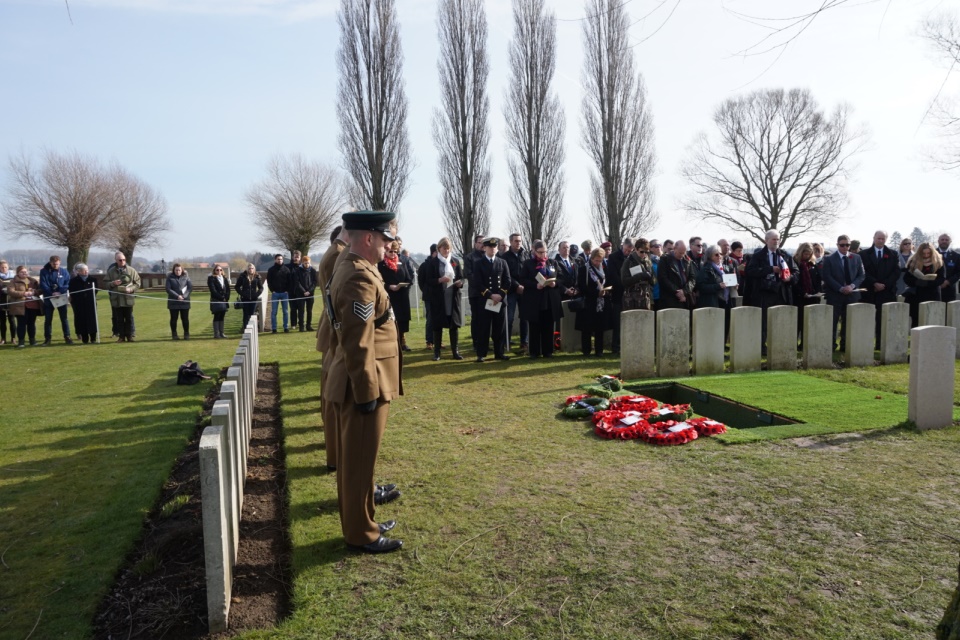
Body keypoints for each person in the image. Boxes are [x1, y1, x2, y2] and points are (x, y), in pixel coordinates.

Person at [322, 210, 403, 554]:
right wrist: (368, 390)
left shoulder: (357, 267)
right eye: (384, 240)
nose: (388, 247)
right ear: (368, 238)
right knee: (356, 466)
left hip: (362, 379)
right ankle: (361, 534)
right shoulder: (358, 275)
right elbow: (358, 341)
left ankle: (366, 519)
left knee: (362, 461)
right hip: (362, 383)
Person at [316, 225, 348, 472]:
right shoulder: (338, 254)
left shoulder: (335, 250)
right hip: (336, 327)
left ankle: (335, 454)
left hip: (331, 323)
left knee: (330, 392)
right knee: (334, 397)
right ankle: (336, 456)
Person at [745, 230, 797, 352]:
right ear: (766, 240)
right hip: (765, 293)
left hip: (781, 293)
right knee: (763, 322)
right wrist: (770, 269)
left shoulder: (784, 255)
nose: (776, 241)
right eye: (774, 239)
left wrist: (790, 278)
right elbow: (750, 271)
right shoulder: (758, 256)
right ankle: (762, 347)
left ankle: (779, 346)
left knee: (780, 321)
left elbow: (796, 271)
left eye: (778, 239)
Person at [470, 237, 513, 362]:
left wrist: (500, 294)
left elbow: (507, 280)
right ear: (484, 248)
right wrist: (490, 295)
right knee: (484, 327)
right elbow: (477, 283)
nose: (493, 249)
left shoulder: (502, 262)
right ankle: (481, 353)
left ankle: (499, 353)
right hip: (485, 300)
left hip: (499, 300)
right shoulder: (478, 263)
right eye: (490, 247)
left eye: (495, 247)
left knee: (499, 328)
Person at [422, 237, 465, 361]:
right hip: (438, 299)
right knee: (437, 325)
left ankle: (455, 351)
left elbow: (462, 278)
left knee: (454, 325)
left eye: (448, 248)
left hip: (453, 297)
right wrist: (439, 280)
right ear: (439, 248)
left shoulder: (455, 261)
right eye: (444, 248)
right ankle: (437, 352)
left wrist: (459, 283)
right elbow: (427, 280)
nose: (446, 250)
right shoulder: (433, 263)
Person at [519, 239, 563, 358]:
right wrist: (535, 285)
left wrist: (555, 283)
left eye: (545, 252)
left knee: (548, 326)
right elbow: (522, 279)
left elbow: (561, 278)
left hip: (549, 299)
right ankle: (534, 351)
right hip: (534, 299)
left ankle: (548, 351)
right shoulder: (528, 264)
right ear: (534, 251)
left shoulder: (552, 263)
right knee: (535, 326)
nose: (543, 255)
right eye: (540, 252)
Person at [820, 235, 865, 351]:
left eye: (847, 245)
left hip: (852, 294)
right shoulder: (829, 259)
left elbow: (861, 275)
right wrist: (840, 288)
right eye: (842, 245)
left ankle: (845, 345)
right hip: (835, 295)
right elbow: (827, 276)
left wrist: (852, 286)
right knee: (833, 321)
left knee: (849, 321)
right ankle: (831, 345)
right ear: (837, 245)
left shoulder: (856, 258)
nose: (845, 247)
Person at [860, 230, 899, 349]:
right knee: (867, 320)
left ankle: (880, 345)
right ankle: (865, 344)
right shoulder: (864, 254)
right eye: (879, 238)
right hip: (869, 292)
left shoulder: (893, 254)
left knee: (883, 321)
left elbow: (895, 273)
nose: (881, 241)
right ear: (874, 238)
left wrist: (883, 285)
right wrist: (874, 283)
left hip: (886, 293)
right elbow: (862, 272)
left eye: (883, 239)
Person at [576, 248, 613, 356]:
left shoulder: (604, 269)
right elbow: (582, 286)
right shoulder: (584, 269)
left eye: (599, 260)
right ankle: (586, 350)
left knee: (600, 327)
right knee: (586, 328)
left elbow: (608, 282)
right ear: (591, 258)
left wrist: (606, 290)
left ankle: (599, 350)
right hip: (589, 302)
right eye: (595, 260)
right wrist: (596, 293)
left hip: (601, 302)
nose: (597, 263)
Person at [378, 240, 413, 351]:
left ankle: (402, 341)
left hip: (402, 295)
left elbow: (408, 277)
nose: (393, 254)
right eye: (390, 252)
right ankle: (393, 342)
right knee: (392, 320)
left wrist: (405, 284)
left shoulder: (401, 261)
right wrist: (389, 286)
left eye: (395, 251)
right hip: (390, 296)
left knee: (402, 321)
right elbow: (379, 281)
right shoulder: (381, 264)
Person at [903, 242, 945, 327]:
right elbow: (906, 278)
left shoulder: (938, 261)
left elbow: (941, 278)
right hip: (917, 294)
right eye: (924, 253)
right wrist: (917, 282)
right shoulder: (913, 261)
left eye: (928, 253)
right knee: (916, 320)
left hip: (932, 293)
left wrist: (929, 283)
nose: (926, 255)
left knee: (932, 319)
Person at [792, 243, 822, 349]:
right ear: (801, 252)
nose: (807, 256)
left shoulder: (812, 264)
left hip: (812, 297)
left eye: (809, 254)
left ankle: (805, 344)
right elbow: (794, 281)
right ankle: (794, 343)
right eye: (805, 253)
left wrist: (817, 291)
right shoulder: (795, 263)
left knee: (808, 322)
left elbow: (817, 280)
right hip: (799, 297)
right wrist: (802, 292)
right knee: (798, 322)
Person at [106, 252, 141, 342]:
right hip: (117, 299)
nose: (122, 261)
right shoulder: (111, 271)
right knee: (119, 319)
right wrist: (113, 283)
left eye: (124, 260)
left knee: (129, 318)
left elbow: (137, 283)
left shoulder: (131, 270)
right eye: (120, 260)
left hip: (128, 299)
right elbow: (105, 283)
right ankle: (121, 337)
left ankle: (129, 336)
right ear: (116, 261)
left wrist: (131, 289)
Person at [39, 255, 73, 346]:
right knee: (48, 319)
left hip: (61, 297)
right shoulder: (43, 271)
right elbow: (43, 284)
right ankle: (47, 338)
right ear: (50, 263)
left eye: (57, 264)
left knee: (64, 318)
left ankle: (67, 336)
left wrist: (60, 292)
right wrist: (51, 293)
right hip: (49, 298)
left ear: (60, 262)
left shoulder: (64, 271)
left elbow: (67, 283)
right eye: (53, 264)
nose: (55, 265)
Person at [503, 233, 528, 354]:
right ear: (511, 242)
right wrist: (517, 285)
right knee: (509, 317)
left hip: (524, 290)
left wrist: (523, 285)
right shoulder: (505, 257)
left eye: (520, 241)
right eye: (516, 241)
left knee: (525, 317)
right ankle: (506, 342)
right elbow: (506, 275)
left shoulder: (525, 255)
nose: (518, 243)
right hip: (511, 291)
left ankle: (524, 342)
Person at [607, 238, 632, 353]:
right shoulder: (613, 257)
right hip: (618, 292)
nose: (628, 252)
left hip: (631, 293)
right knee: (617, 321)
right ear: (623, 246)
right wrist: (625, 284)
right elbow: (612, 275)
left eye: (630, 250)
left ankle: (627, 344)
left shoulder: (633, 257)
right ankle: (616, 346)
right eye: (626, 249)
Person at [6, 266, 41, 348]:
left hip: (33, 305)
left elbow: (40, 290)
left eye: (25, 272)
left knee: (31, 324)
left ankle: (32, 340)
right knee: (21, 324)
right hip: (20, 306)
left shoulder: (33, 281)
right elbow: (10, 291)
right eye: (22, 272)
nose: (24, 273)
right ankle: (21, 341)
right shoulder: (13, 281)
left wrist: (34, 292)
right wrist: (23, 293)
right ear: (18, 273)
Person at [463, 234, 486, 354]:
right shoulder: (470, 257)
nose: (482, 245)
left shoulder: (488, 256)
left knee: (486, 319)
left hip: (488, 293)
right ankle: (476, 343)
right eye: (480, 242)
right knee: (476, 318)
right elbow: (469, 275)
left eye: (484, 243)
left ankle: (484, 342)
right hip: (476, 293)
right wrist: (482, 286)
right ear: (475, 244)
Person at [658, 240, 695, 311]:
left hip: (685, 299)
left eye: (684, 253)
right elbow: (663, 279)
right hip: (670, 299)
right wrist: (677, 291)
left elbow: (692, 278)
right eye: (680, 253)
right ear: (674, 249)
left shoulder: (687, 261)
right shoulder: (665, 260)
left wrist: (684, 291)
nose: (682, 255)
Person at [621, 237, 655, 311]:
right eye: (642, 252)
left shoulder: (648, 261)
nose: (644, 254)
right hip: (632, 300)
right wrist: (640, 276)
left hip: (646, 298)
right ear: (636, 249)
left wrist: (651, 278)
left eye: (647, 252)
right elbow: (624, 281)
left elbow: (654, 281)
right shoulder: (629, 261)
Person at [68, 263, 98, 344]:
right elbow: (72, 292)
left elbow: (95, 291)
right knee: (81, 321)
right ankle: (85, 339)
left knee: (92, 320)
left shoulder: (93, 280)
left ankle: (93, 338)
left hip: (90, 304)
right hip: (79, 305)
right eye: (84, 270)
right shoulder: (73, 281)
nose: (86, 272)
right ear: (79, 271)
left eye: (87, 270)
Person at [418, 244, 439, 349]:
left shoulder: (440, 264)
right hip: (429, 296)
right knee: (430, 318)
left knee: (438, 318)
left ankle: (437, 340)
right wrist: (427, 291)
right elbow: (421, 282)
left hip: (439, 295)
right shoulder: (424, 265)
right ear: (434, 252)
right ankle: (429, 341)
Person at [695, 244, 728, 309]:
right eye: (716, 254)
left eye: (720, 254)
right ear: (710, 256)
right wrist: (718, 286)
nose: (719, 256)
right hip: (712, 303)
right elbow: (701, 287)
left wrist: (734, 285)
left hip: (725, 301)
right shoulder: (705, 269)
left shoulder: (725, 268)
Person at [166, 263, 192, 340]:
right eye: (176, 270)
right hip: (173, 302)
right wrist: (177, 296)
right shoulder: (170, 278)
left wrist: (184, 296)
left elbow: (189, 288)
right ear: (174, 270)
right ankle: (174, 334)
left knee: (185, 319)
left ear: (182, 270)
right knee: (174, 319)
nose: (178, 271)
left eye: (179, 270)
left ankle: (186, 334)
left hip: (185, 302)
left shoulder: (186, 277)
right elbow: (168, 289)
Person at [267, 253, 291, 333]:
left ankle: (286, 327)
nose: (280, 260)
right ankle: (274, 328)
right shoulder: (271, 270)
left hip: (285, 293)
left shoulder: (287, 269)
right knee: (274, 312)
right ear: (275, 260)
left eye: (281, 259)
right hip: (275, 294)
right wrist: (272, 290)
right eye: (278, 259)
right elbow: (269, 281)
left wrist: (287, 290)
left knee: (285, 311)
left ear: (282, 260)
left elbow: (289, 281)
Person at [235, 263, 264, 331]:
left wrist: (256, 294)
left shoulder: (257, 277)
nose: (251, 270)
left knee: (252, 314)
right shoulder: (243, 276)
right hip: (245, 298)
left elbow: (261, 288)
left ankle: (252, 329)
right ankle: (245, 328)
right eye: (249, 268)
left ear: (254, 269)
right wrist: (242, 294)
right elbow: (237, 287)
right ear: (247, 269)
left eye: (252, 268)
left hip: (253, 298)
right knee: (245, 314)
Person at [295, 255, 318, 332]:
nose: (307, 265)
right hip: (301, 294)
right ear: (302, 263)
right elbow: (297, 282)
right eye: (305, 263)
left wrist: (309, 291)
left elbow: (314, 282)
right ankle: (301, 326)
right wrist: (304, 291)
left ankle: (309, 325)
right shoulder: (298, 270)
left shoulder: (313, 271)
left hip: (310, 294)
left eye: (308, 263)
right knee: (301, 311)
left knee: (309, 310)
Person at [208, 265, 231, 339]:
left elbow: (228, 289)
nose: (219, 271)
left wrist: (226, 297)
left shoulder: (224, 278)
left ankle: (222, 333)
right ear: (214, 271)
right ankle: (216, 333)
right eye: (217, 270)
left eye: (220, 270)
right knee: (217, 316)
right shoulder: (211, 279)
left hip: (224, 300)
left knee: (222, 316)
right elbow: (213, 290)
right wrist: (221, 297)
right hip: (216, 300)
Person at [936, 233, 960, 303]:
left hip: (949, 289)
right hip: (934, 288)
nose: (944, 241)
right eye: (942, 239)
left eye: (946, 240)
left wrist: (948, 282)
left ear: (950, 242)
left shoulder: (956, 256)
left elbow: (958, 272)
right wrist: (938, 282)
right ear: (938, 241)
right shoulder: (931, 254)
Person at [0, 259, 16, 345]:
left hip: (11, 300)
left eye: (5, 267)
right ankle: (3, 338)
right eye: (2, 267)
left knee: (12, 320)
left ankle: (13, 338)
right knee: (2, 321)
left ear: (8, 267)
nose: (4, 269)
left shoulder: (13, 277)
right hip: (1, 301)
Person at [287, 251, 304, 331]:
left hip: (300, 291)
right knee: (293, 308)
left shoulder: (302, 267)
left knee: (301, 309)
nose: (296, 258)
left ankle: (301, 323)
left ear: (300, 258)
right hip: (291, 291)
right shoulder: (288, 267)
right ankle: (293, 324)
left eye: (298, 257)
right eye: (295, 256)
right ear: (292, 257)